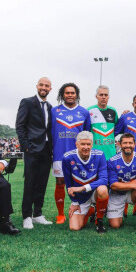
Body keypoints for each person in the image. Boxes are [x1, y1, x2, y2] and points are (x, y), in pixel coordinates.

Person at [16, 77, 53, 229]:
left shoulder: (51, 107)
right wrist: (26, 146)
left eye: (47, 86)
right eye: (42, 85)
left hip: (46, 149)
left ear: (50, 89)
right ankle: (26, 216)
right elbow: (20, 125)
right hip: (32, 149)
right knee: (30, 183)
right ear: (37, 86)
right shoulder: (27, 102)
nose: (44, 87)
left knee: (42, 183)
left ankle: (37, 214)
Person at [51, 82, 91, 224]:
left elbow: (87, 134)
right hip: (59, 152)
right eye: (67, 93)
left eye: (72, 93)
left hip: (79, 155)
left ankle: (85, 209)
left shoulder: (84, 112)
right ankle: (60, 214)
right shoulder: (54, 111)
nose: (70, 95)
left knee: (82, 181)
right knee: (60, 182)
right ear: (62, 94)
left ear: (77, 95)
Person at [62, 131, 108, 233]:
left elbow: (104, 180)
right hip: (80, 197)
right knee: (75, 227)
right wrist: (74, 202)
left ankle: (99, 221)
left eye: (88, 144)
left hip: (94, 192)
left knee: (103, 189)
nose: (86, 147)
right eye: (82, 144)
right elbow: (68, 183)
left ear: (92, 144)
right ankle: (90, 210)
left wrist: (83, 187)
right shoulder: (67, 158)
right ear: (77, 144)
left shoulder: (99, 155)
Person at [107, 133, 136, 233]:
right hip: (117, 194)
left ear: (134, 144)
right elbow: (113, 185)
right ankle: (117, 212)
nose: (128, 145)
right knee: (115, 225)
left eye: (130, 143)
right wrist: (133, 184)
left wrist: (124, 185)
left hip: (132, 193)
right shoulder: (112, 161)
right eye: (125, 143)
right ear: (119, 144)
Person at [88, 85, 118, 160]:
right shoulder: (89, 110)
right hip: (94, 155)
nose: (103, 97)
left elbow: (117, 129)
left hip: (111, 155)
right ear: (96, 96)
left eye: (106, 95)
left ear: (108, 97)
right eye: (101, 95)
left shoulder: (113, 111)